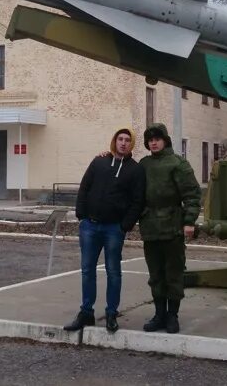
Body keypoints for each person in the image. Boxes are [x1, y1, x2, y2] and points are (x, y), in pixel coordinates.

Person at [64, 128, 145, 333]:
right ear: (114, 141)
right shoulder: (99, 162)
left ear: (131, 144)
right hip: (90, 226)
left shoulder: (135, 170)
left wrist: (125, 225)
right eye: (120, 139)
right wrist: (81, 215)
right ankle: (86, 313)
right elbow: (84, 187)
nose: (123, 143)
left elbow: (138, 201)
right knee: (87, 270)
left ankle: (111, 313)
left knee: (113, 272)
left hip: (113, 229)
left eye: (127, 140)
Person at [138, 123, 201, 334]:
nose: (153, 142)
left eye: (157, 138)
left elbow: (192, 195)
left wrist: (189, 221)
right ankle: (159, 315)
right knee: (155, 274)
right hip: (150, 228)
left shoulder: (178, 164)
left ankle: (172, 316)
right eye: (150, 139)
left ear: (165, 140)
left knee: (173, 274)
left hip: (173, 228)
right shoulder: (144, 164)